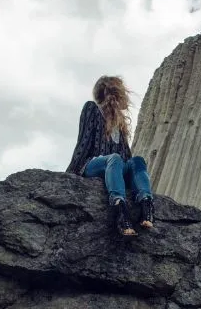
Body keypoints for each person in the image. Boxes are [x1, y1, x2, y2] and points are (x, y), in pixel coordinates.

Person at [66, 75, 155, 236]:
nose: (126, 95)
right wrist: (70, 174)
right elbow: (83, 143)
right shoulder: (92, 108)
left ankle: (146, 204)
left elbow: (126, 157)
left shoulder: (119, 123)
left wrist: (132, 172)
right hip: (92, 165)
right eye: (124, 92)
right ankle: (120, 210)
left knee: (137, 161)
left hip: (115, 166)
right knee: (114, 158)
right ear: (115, 92)